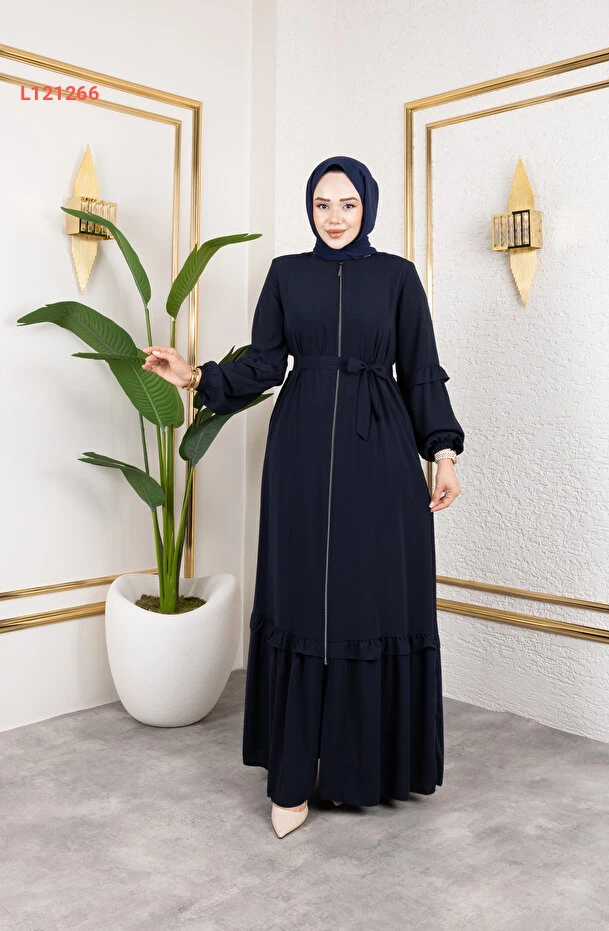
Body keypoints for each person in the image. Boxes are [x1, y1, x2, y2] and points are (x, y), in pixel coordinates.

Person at [143, 155, 465, 839]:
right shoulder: (287, 273)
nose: (335, 216)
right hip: (300, 448)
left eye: (348, 204)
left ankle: (366, 768)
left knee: (369, 594)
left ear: (367, 207)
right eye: (322, 203)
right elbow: (264, 363)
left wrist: (442, 452)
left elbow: (421, 369)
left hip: (380, 448)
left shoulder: (398, 276)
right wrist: (195, 376)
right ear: (309, 209)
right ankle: (291, 775)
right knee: (300, 596)